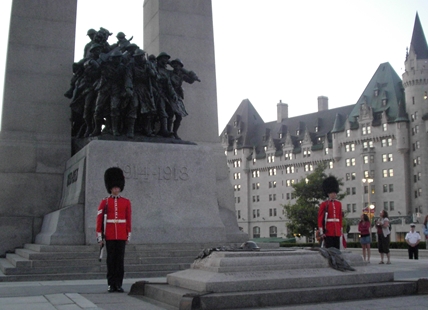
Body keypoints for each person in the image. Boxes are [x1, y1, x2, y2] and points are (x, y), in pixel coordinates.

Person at [96, 167, 132, 293]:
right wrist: (100, 237)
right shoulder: (104, 202)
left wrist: (128, 235)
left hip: (121, 235)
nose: (116, 189)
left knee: (120, 261)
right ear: (110, 188)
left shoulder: (126, 202)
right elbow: (99, 220)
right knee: (111, 261)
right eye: (114, 187)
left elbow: (128, 219)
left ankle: (119, 283)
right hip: (110, 235)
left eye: (117, 187)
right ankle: (111, 284)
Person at [318, 176, 343, 249]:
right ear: (328, 193)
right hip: (328, 231)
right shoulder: (324, 204)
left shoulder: (339, 204)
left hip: (337, 231)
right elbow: (320, 218)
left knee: (337, 250)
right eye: (332, 193)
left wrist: (340, 230)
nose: (334, 194)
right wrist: (322, 232)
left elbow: (340, 218)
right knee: (329, 250)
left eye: (335, 193)